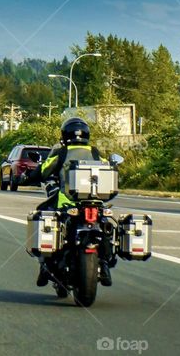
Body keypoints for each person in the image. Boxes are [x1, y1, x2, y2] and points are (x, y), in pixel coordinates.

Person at [32, 117, 111, 287]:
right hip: (94, 203)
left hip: (66, 203)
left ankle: (44, 266)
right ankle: (104, 264)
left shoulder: (62, 152)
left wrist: (31, 176)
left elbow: (44, 170)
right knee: (105, 226)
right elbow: (110, 169)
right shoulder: (95, 152)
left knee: (45, 219)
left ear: (65, 134)